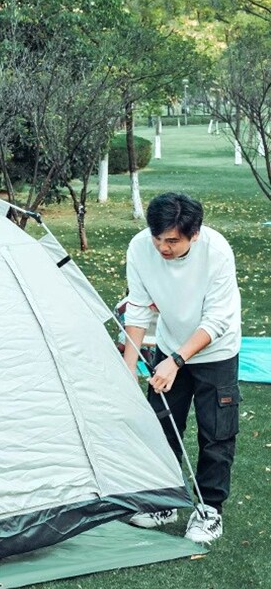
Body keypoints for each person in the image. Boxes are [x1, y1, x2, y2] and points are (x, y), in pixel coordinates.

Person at [122, 192, 241, 543]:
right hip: (169, 345)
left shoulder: (216, 253)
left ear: (195, 233)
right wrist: (129, 369)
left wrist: (176, 362)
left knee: (216, 433)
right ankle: (164, 501)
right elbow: (139, 308)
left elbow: (217, 320)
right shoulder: (140, 248)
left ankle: (209, 510)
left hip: (215, 350)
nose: (162, 247)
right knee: (160, 425)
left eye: (172, 240)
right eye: (157, 238)